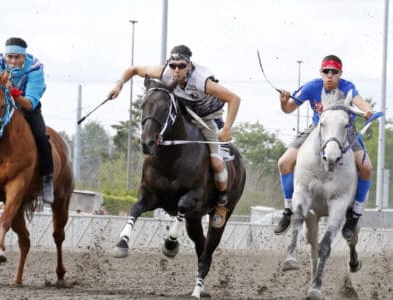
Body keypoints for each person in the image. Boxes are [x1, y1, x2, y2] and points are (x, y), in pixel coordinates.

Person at [108, 45, 241, 229]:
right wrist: (118, 85)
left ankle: (221, 204)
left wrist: (227, 128)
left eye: (181, 65)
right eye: (173, 65)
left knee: (218, 163)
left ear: (189, 65)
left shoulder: (202, 80)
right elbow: (133, 69)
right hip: (182, 113)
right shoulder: (165, 72)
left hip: (206, 118)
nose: (176, 70)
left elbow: (234, 99)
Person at [274, 54, 374, 240]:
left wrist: (368, 110)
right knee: (284, 163)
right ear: (321, 72)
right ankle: (288, 211)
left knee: (367, 168)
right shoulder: (312, 87)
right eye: (326, 71)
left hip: (344, 131)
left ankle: (355, 214)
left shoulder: (347, 87)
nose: (329, 75)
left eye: (334, 72)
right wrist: (282, 101)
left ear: (340, 73)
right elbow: (288, 109)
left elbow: (360, 102)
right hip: (317, 130)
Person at [0, 37, 54, 204]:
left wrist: (13, 92)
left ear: (23, 57)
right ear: (5, 56)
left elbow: (29, 103)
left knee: (41, 137)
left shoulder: (35, 69)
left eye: (17, 57)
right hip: (1, 109)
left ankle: (47, 178)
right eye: (10, 57)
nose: (12, 61)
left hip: (26, 108)